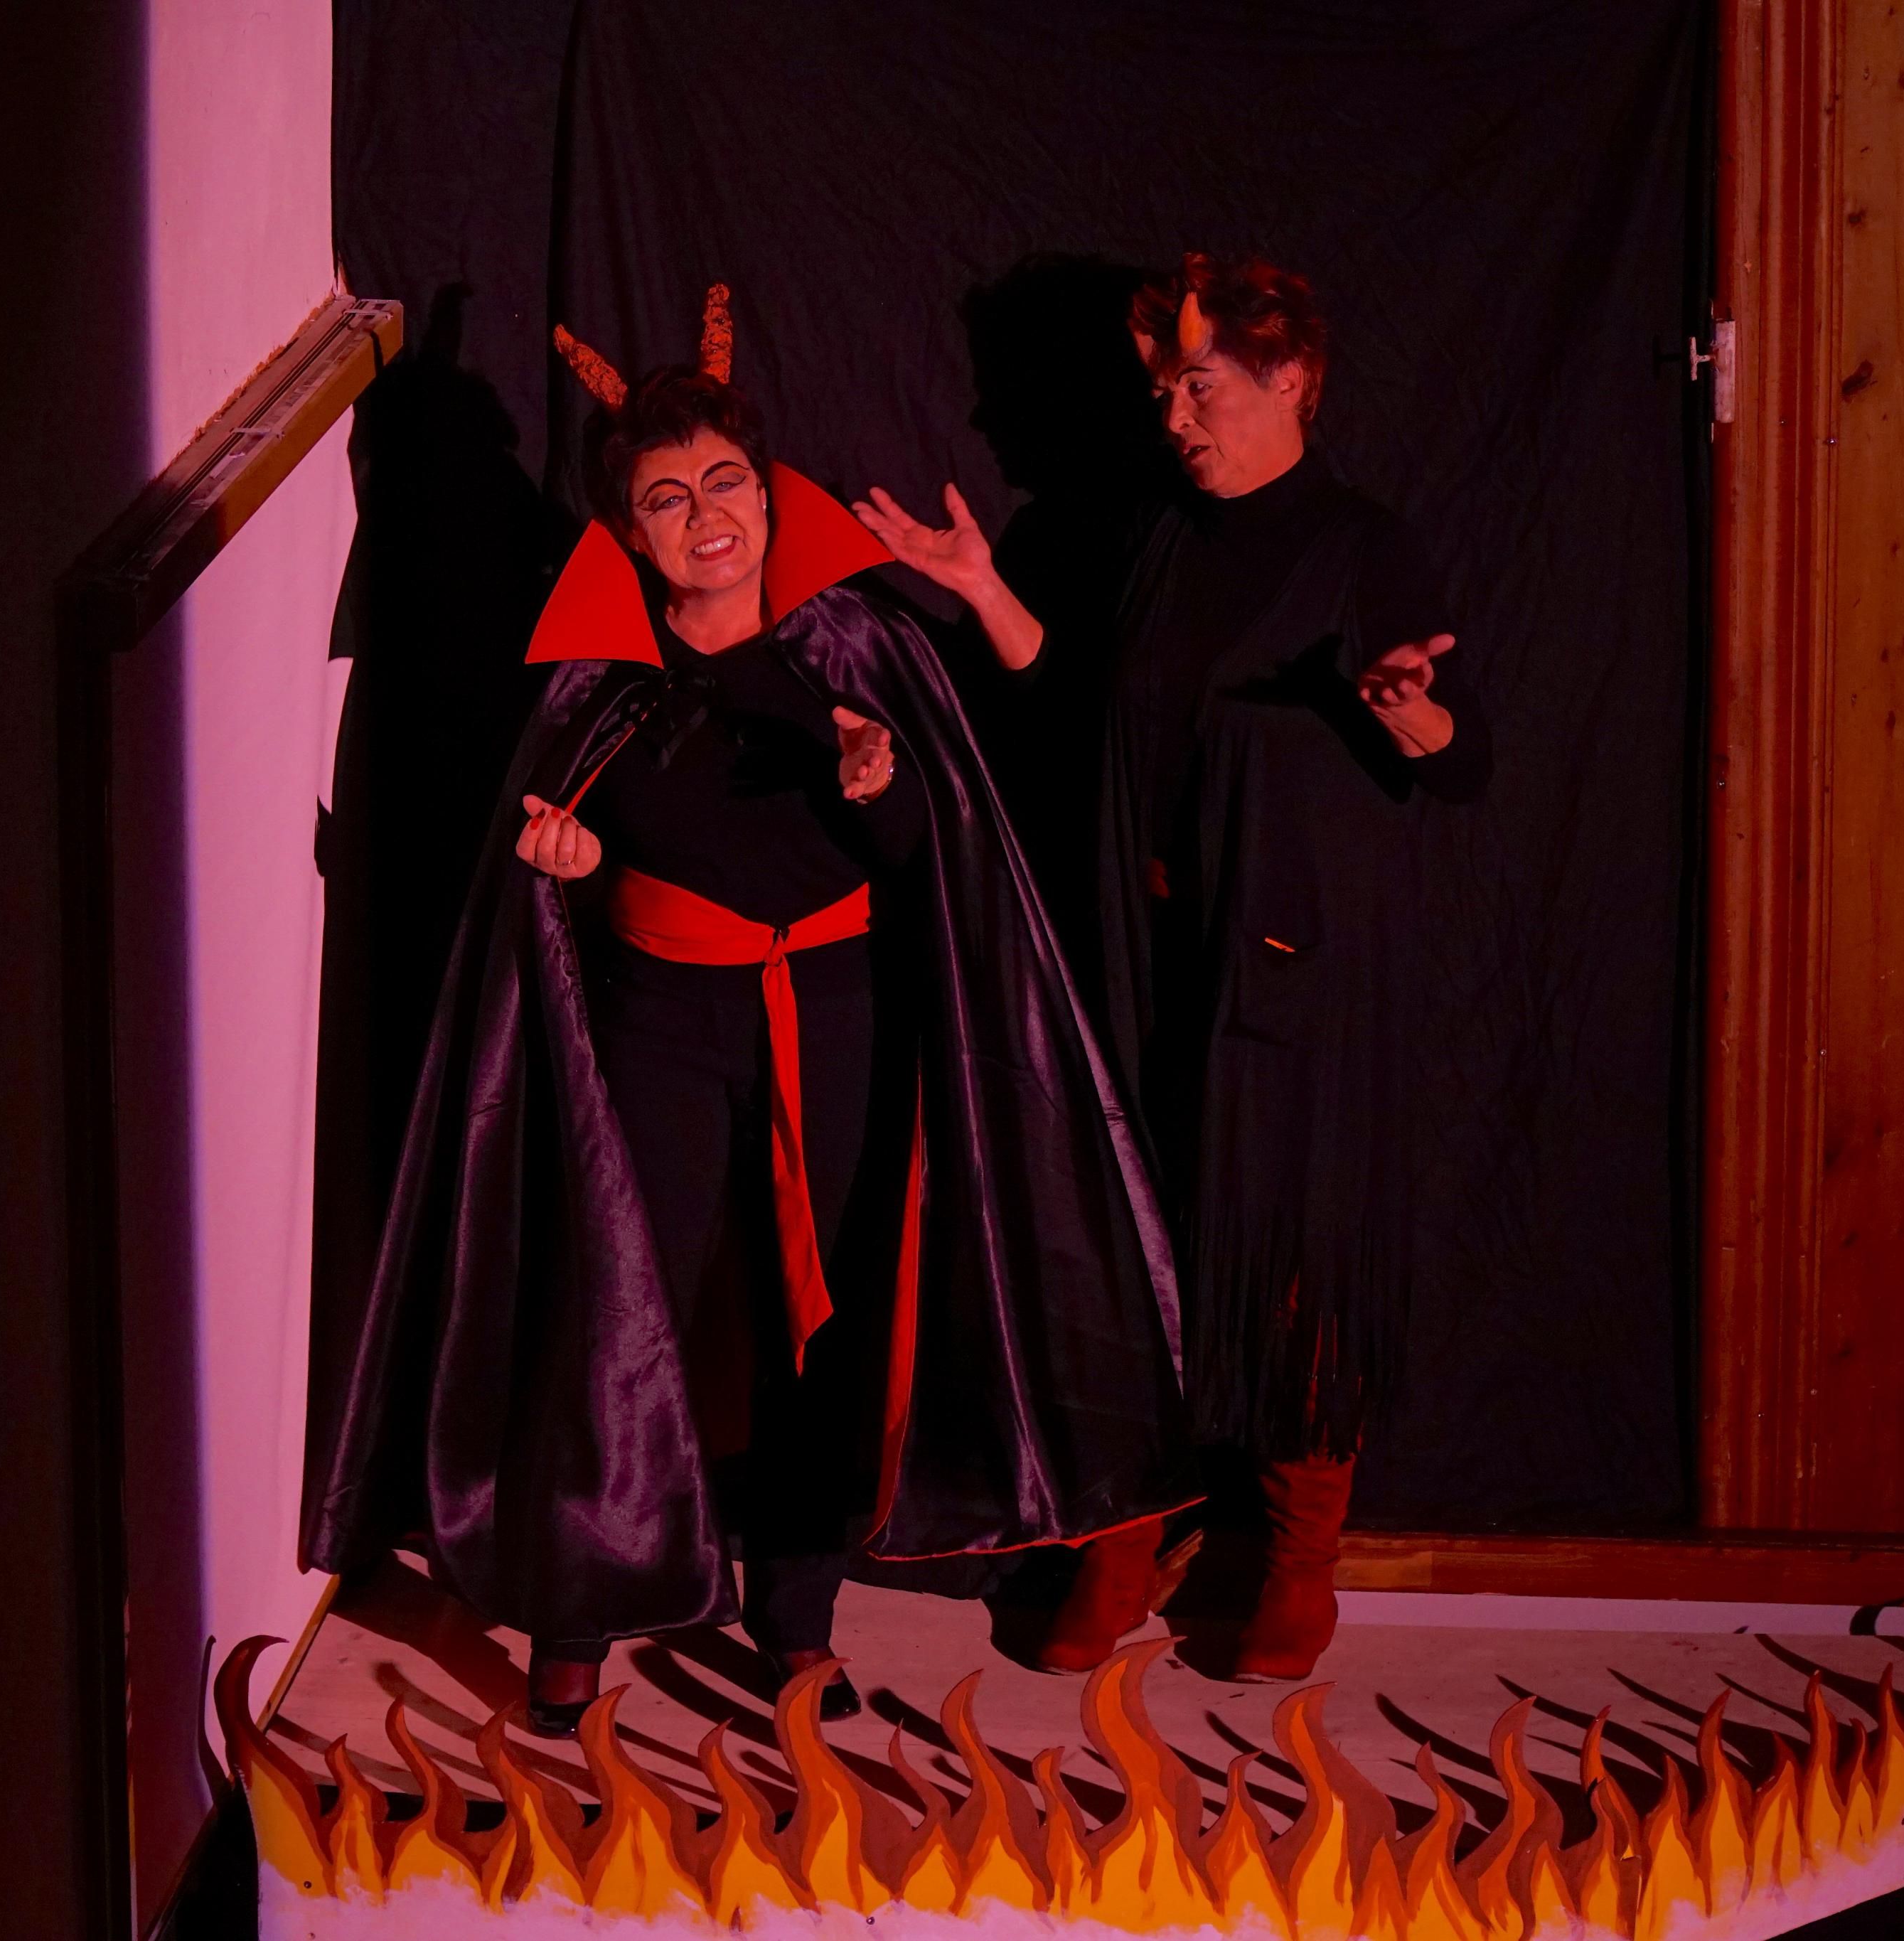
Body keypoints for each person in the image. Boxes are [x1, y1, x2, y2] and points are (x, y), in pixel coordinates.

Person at [299, 289, 1196, 1736]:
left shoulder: (858, 647)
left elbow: (944, 851)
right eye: (669, 497)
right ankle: (580, 1619)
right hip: (659, 1027)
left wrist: (881, 789)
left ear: (768, 491)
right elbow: (546, 881)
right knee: (621, 1311)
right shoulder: (595, 680)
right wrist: (565, 874)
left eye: (726, 481)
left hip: (837, 1021)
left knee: (820, 1333)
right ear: (629, 529)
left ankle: (795, 1624)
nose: (708, 516)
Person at [856, 253, 1490, 1682]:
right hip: (1143, 953)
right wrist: (979, 588)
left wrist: (1410, 714)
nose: (1174, 417)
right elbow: (1071, 703)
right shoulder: (1151, 534)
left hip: (1295, 973)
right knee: (1133, 1242)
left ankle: (1298, 1557)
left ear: (1293, 381)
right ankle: (1127, 1529)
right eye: (1163, 392)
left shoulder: (1359, 546)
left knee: (1287, 1254)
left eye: (1199, 388)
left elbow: (1465, 759)